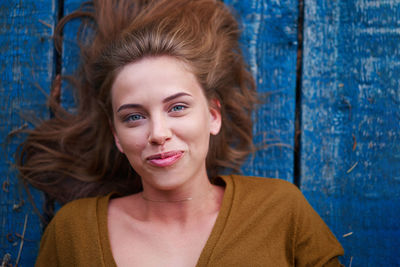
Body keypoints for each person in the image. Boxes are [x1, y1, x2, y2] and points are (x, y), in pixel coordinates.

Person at [18, 0, 344, 266]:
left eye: (177, 108)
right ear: (117, 136)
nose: (158, 134)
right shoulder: (73, 233)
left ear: (213, 115)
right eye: (133, 117)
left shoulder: (280, 210)